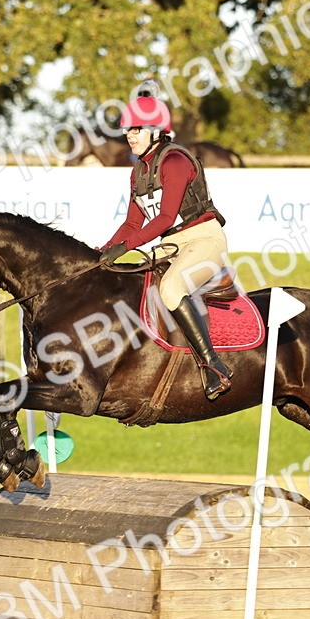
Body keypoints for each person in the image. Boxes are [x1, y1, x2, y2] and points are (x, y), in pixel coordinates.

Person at [99, 84, 233, 400]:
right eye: (127, 130)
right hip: (170, 246)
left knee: (171, 288)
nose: (130, 135)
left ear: (157, 131)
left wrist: (126, 247)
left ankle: (214, 365)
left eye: (137, 129)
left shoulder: (175, 162)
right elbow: (133, 223)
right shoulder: (138, 172)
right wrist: (104, 251)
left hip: (204, 239)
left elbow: (163, 219)